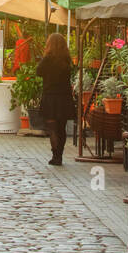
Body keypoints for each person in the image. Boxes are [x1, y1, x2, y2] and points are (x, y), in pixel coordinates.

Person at [37, 33, 77, 166]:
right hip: (64, 98)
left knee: (52, 128)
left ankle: (55, 156)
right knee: (61, 128)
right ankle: (60, 155)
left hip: (50, 97)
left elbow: (38, 72)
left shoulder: (47, 60)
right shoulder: (66, 60)